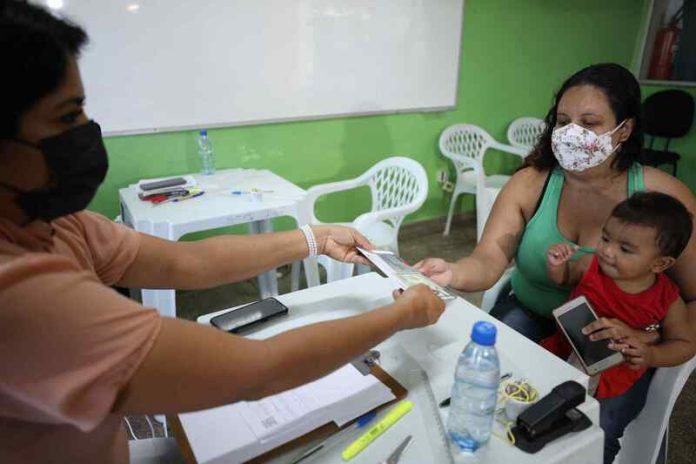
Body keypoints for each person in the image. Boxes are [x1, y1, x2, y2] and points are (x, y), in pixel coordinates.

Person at [0, 2, 446, 463]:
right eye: (68, 116)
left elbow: (186, 262)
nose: (87, 131)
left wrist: (312, 238)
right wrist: (400, 314)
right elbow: (257, 371)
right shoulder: (19, 294)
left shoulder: (52, 222)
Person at [415, 63, 696, 458]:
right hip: (531, 313)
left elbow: (691, 296)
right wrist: (452, 271)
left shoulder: (663, 202)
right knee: (487, 392)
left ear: (625, 130)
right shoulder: (534, 181)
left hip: (613, 342)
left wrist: (650, 337)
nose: (571, 133)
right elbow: (489, 260)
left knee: (592, 427)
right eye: (563, 121)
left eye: (590, 122)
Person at [543, 192, 693, 464]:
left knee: (604, 428)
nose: (607, 251)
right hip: (563, 351)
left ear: (660, 263)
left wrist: (651, 356)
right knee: (537, 396)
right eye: (605, 238)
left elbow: (685, 344)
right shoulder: (590, 266)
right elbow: (565, 280)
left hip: (620, 375)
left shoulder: (666, 298)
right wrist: (557, 266)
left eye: (625, 249)